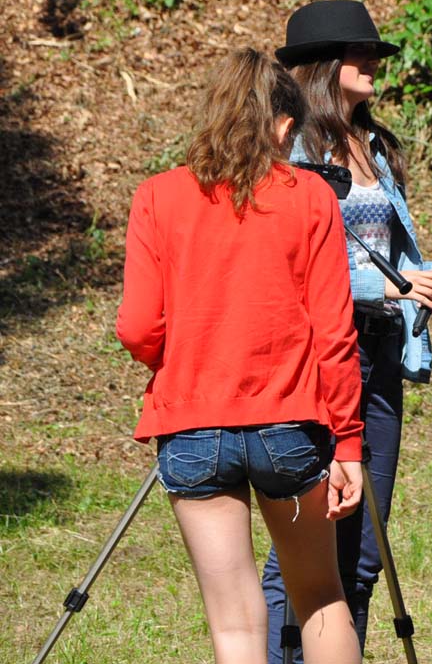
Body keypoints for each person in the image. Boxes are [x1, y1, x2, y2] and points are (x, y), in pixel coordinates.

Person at [116, 48, 364, 664]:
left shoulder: (157, 196)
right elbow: (335, 334)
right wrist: (349, 443)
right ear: (282, 125)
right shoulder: (311, 197)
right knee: (321, 596)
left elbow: (138, 326)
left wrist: (182, 353)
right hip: (290, 424)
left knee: (232, 622)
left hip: (192, 423)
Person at [260, 0, 432, 659]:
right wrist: (389, 287)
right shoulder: (291, 149)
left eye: (373, 51)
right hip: (320, 357)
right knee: (305, 548)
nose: (373, 60)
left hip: (380, 349)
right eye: (359, 51)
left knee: (366, 549)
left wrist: (424, 277)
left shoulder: (376, 147)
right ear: (323, 64)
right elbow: (293, 265)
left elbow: (385, 250)